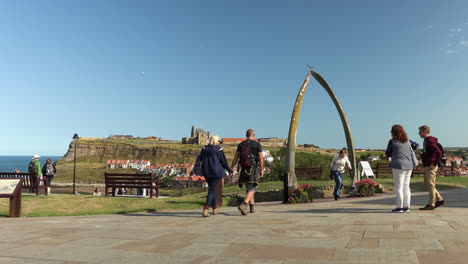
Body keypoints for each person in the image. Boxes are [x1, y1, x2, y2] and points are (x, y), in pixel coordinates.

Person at [193, 135, 233, 217]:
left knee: (212, 188)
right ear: (215, 141)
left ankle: (215, 208)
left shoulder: (204, 149)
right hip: (216, 172)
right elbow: (223, 161)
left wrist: (196, 170)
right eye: (218, 140)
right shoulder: (219, 150)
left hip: (206, 171)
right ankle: (206, 208)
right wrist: (229, 170)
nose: (219, 142)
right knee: (211, 189)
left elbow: (199, 160)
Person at [385, 125, 418, 213]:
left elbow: (388, 153)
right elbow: (416, 145)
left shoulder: (392, 142)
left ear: (393, 133)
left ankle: (399, 207)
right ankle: (406, 206)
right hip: (409, 165)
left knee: (398, 187)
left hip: (398, 166)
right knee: (406, 186)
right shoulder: (408, 141)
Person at [231, 129, 264, 215]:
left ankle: (252, 206)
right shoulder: (257, 144)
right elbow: (260, 158)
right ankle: (244, 204)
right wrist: (261, 169)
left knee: (248, 188)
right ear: (254, 135)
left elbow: (235, 158)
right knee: (252, 188)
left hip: (243, 168)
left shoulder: (241, 145)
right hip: (253, 168)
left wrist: (231, 168)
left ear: (246, 135)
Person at [418, 125, 444, 210]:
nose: (419, 134)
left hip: (431, 166)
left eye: (420, 132)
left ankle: (431, 204)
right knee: (428, 184)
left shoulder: (429, 141)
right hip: (428, 165)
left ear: (425, 132)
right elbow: (430, 153)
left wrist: (434, 163)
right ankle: (439, 199)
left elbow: (438, 152)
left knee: (430, 185)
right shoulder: (427, 141)